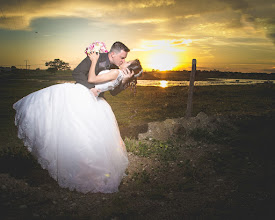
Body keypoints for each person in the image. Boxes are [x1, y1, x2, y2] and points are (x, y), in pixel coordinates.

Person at [13, 52, 143, 193]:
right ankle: (83, 169)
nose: (124, 61)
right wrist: (101, 88)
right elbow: (109, 87)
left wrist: (93, 60)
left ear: (128, 69)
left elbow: (92, 78)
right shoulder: (120, 76)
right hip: (95, 100)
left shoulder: (117, 72)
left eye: (127, 61)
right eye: (124, 58)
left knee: (74, 130)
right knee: (83, 135)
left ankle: (82, 171)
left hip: (86, 96)